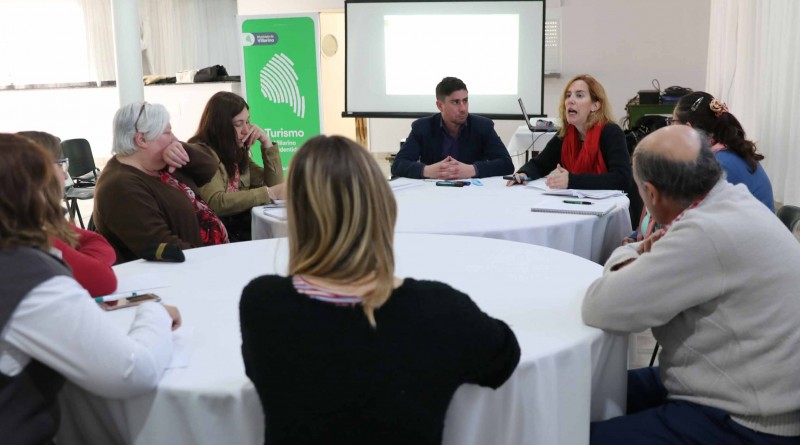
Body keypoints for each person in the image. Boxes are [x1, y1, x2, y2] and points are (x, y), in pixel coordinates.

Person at [240, 135, 520, 444]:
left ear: (296, 216)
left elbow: (259, 370)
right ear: (384, 209)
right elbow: (503, 358)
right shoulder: (439, 309)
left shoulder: (262, 303)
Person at [583, 125, 800, 444]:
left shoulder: (703, 232)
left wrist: (628, 251)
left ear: (651, 194)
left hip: (747, 419)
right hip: (747, 385)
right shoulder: (733, 198)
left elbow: (600, 306)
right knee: (584, 391)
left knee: (573, 431)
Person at [0, 133, 181, 444]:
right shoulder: (27, 276)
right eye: (56, 169)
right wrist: (155, 313)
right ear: (33, 194)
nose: (64, 177)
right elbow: (132, 372)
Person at [93, 102, 228, 263]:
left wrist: (183, 150)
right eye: (167, 133)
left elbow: (209, 168)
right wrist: (209, 261)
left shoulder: (161, 162)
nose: (175, 139)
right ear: (142, 139)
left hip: (208, 258)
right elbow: (162, 246)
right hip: (186, 268)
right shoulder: (120, 186)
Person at [17, 130, 117, 297]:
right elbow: (102, 281)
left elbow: (97, 241)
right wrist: (93, 264)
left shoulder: (46, 216)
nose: (65, 175)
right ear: (42, 170)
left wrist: (91, 263)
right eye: (61, 165)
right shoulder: (29, 227)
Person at [507, 74, 631, 190]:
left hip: (613, 203)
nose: (570, 100)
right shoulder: (566, 134)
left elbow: (622, 178)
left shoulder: (611, 132)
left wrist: (572, 181)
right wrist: (524, 173)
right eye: (568, 95)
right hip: (577, 200)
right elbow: (541, 164)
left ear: (595, 105)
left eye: (579, 95)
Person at [190, 92, 286, 241]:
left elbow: (275, 185)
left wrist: (267, 143)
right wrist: (268, 193)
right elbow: (216, 202)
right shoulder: (203, 153)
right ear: (220, 126)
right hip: (219, 236)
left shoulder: (236, 152)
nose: (246, 130)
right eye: (238, 124)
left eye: (247, 122)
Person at [390, 76, 514, 179]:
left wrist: (472, 170)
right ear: (440, 106)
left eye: (465, 101)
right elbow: (398, 165)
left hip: (472, 192)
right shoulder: (422, 127)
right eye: (455, 102)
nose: (463, 108)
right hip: (433, 192)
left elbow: (506, 164)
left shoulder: (483, 126)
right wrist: (427, 170)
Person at [671, 91, 775, 211]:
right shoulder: (728, 150)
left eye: (672, 122)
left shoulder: (717, 164)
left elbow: (693, 211)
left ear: (687, 128)